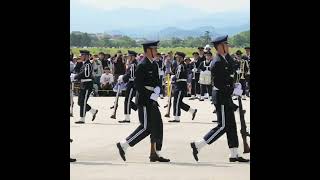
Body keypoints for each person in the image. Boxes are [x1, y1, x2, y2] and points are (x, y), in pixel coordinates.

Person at [190, 35, 249, 163]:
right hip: (221, 96)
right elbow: (220, 84)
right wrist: (234, 89)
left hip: (226, 95)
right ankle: (198, 144)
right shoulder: (217, 62)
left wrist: (235, 85)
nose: (228, 47)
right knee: (222, 126)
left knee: (231, 126)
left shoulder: (225, 59)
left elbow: (231, 75)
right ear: (220, 47)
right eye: (225, 45)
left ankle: (234, 154)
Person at [116, 40, 170, 162]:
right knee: (146, 127)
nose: (156, 51)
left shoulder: (154, 64)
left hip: (152, 99)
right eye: (154, 49)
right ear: (148, 51)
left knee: (158, 125)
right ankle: (124, 144)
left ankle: (155, 153)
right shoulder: (142, 65)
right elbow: (138, 85)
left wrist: (157, 90)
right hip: (144, 100)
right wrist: (150, 95)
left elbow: (157, 80)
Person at [168, 52, 197, 123]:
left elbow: (178, 76)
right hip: (178, 85)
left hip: (181, 85)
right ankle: (192, 111)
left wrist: (173, 78)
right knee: (179, 102)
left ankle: (176, 117)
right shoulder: (179, 65)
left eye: (177, 57)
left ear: (181, 57)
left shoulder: (182, 65)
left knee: (177, 102)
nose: (176, 58)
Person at [74, 50, 99, 124]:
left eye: (82, 55)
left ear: (86, 56)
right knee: (79, 102)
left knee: (83, 101)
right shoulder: (83, 64)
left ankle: (82, 118)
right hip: (83, 84)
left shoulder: (88, 64)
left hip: (87, 84)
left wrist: (76, 76)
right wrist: (78, 64)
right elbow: (77, 71)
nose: (80, 57)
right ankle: (93, 111)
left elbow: (86, 74)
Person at [118, 50, 138, 123]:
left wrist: (123, 78)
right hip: (131, 83)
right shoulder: (132, 64)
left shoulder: (133, 64)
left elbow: (131, 75)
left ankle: (127, 118)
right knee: (127, 100)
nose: (128, 57)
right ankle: (136, 109)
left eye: (129, 56)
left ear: (132, 57)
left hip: (132, 84)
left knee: (127, 100)